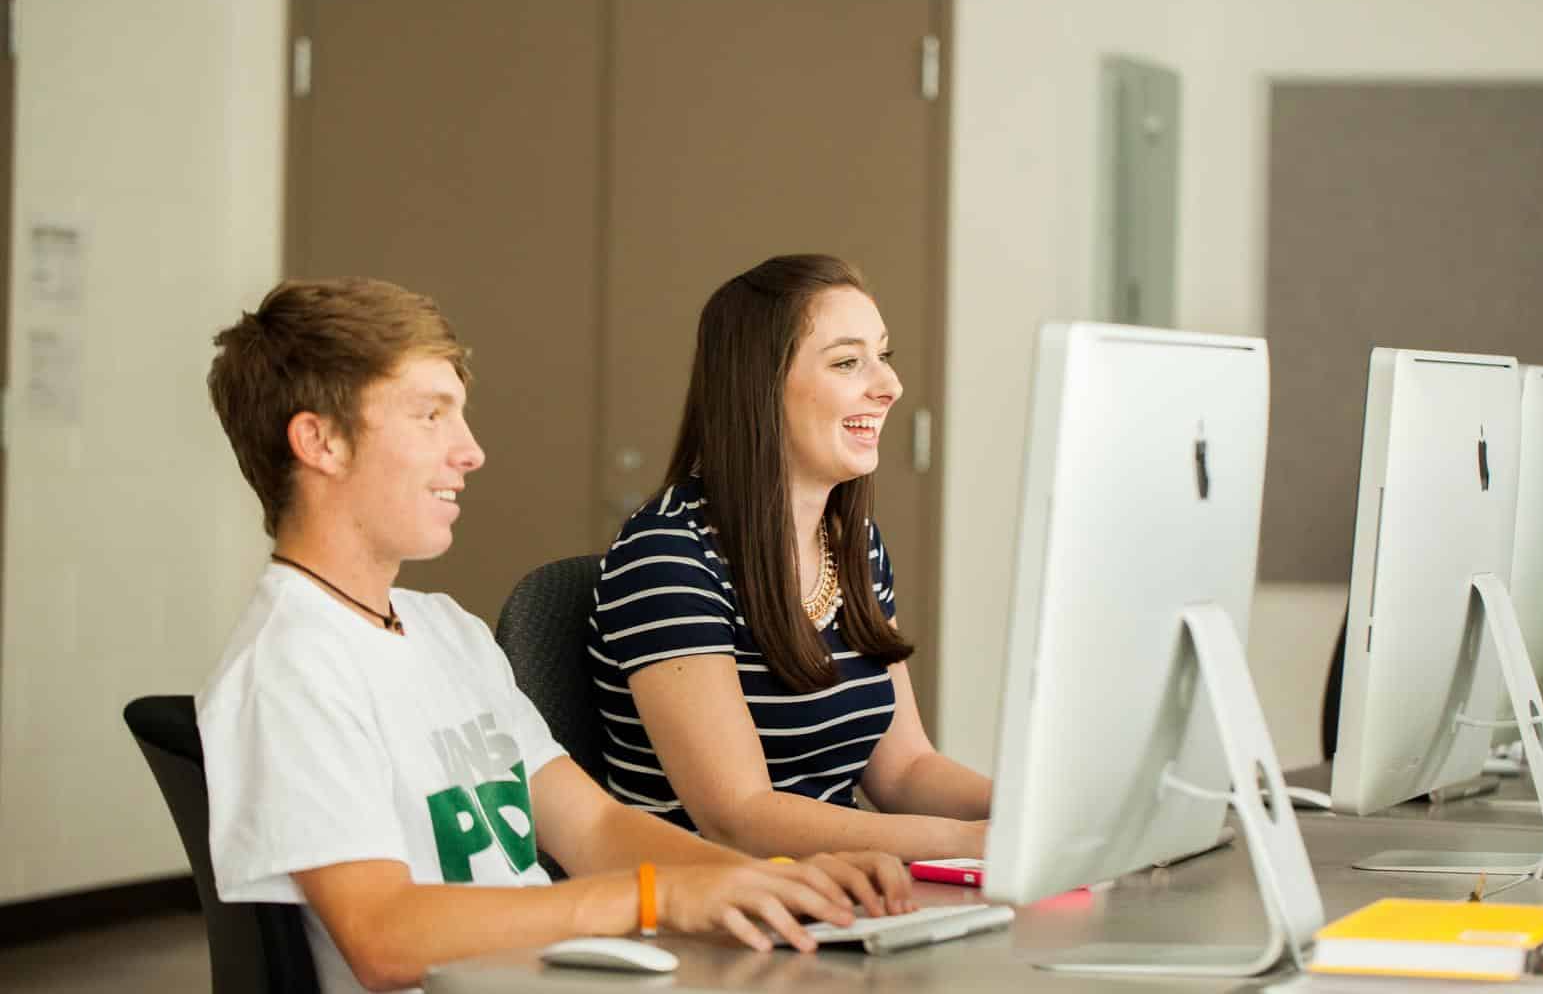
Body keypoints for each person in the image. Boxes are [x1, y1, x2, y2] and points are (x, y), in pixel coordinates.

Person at [197, 277, 910, 994]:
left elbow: (594, 828)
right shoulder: (288, 668)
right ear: (319, 440)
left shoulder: (447, 632)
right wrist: (656, 897)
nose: (470, 450)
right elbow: (382, 936)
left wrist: (773, 880)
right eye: (429, 416)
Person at [589, 255, 991, 862]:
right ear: (760, 385)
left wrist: (1031, 817)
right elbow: (740, 817)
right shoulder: (667, 557)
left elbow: (904, 770)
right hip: (713, 916)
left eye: (884, 355)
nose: (889, 385)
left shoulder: (852, 541)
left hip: (835, 897)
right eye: (848, 362)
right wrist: (973, 843)